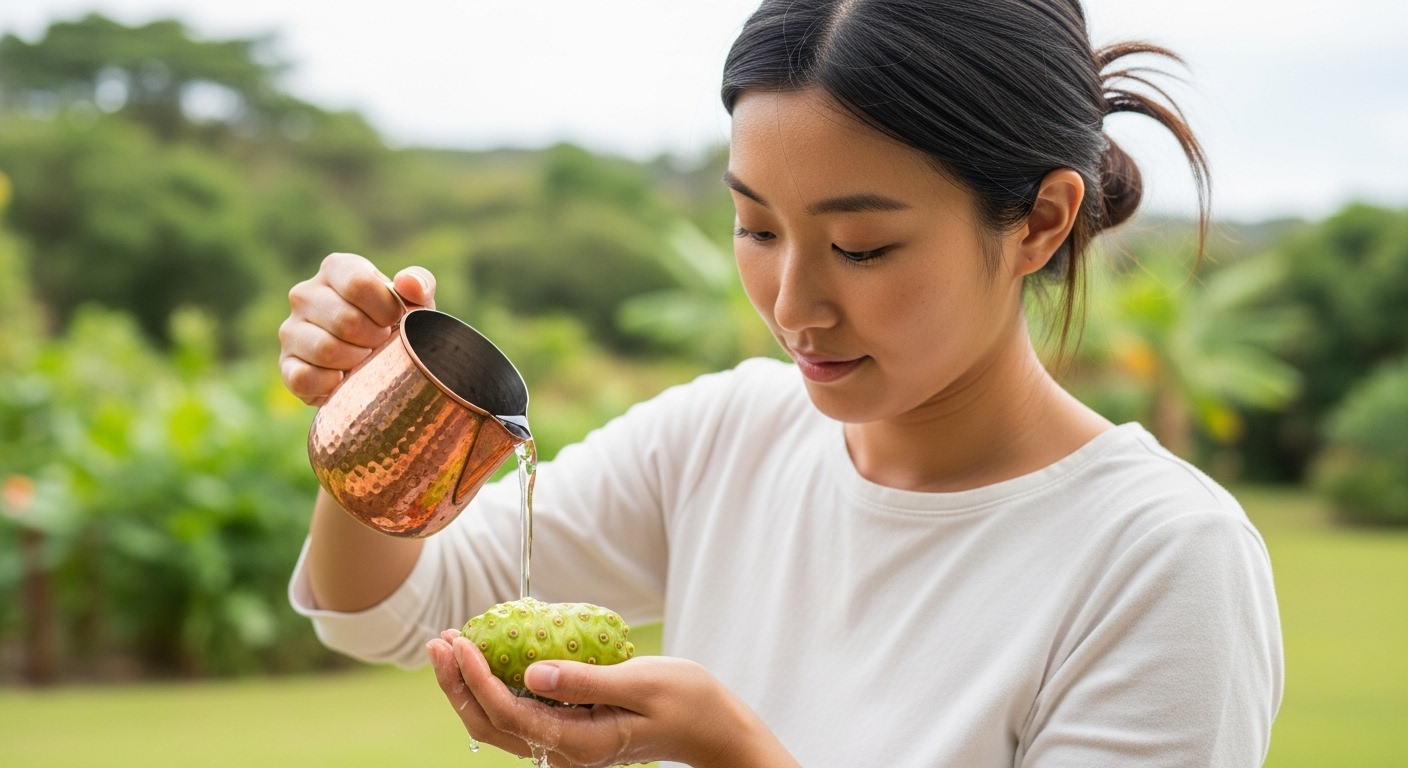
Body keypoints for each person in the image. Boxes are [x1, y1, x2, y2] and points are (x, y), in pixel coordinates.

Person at [278, 0, 1283, 765]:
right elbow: (393, 608)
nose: (792, 304)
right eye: (756, 227)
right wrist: (370, 408)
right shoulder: (729, 436)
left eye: (862, 245)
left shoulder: (1161, 560)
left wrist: (733, 752)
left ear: (1039, 222)